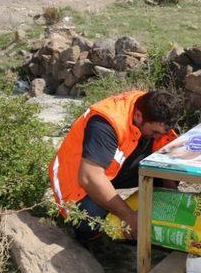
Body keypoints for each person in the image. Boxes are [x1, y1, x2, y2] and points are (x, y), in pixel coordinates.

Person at [48, 90, 179, 242]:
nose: (157, 136)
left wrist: (171, 190)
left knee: (162, 170)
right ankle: (96, 240)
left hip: (109, 167)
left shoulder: (151, 107)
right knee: (90, 216)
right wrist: (129, 216)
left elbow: (166, 144)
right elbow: (90, 177)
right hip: (75, 180)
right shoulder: (106, 124)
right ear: (138, 116)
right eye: (154, 131)